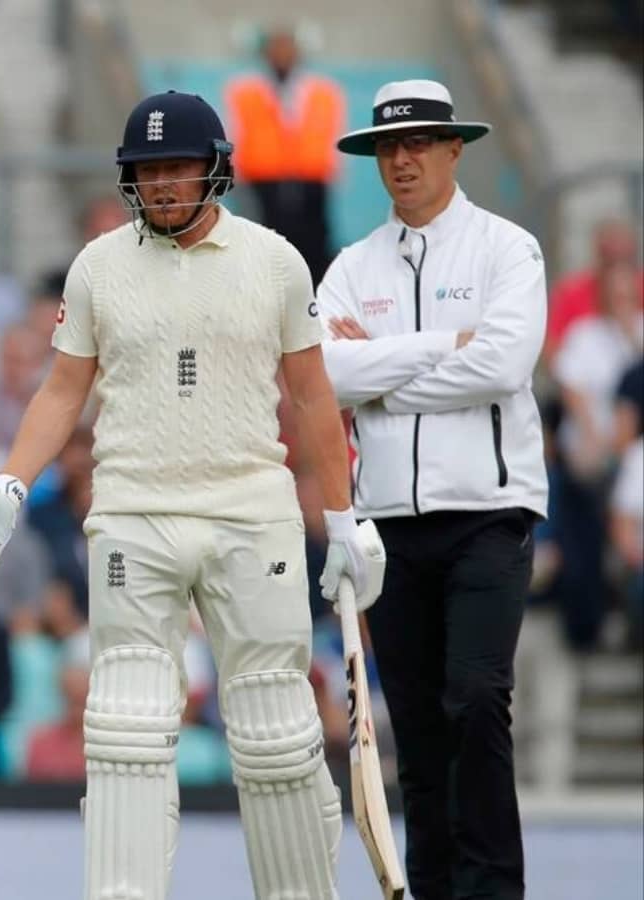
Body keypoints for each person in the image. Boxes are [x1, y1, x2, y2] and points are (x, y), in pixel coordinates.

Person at [0, 90, 382, 900]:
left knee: (277, 731)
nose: (163, 185)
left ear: (215, 168)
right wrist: (13, 479)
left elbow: (315, 397)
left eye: (178, 167)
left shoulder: (275, 260)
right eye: (147, 172)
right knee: (125, 729)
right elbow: (61, 390)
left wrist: (343, 516)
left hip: (252, 513)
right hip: (133, 513)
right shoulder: (99, 265)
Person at [316, 79, 548, 900]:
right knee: (414, 726)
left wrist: (381, 370)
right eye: (388, 146)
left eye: (418, 142)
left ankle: (492, 891)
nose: (402, 158)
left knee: (476, 698)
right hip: (388, 525)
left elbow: (505, 365)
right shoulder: (352, 265)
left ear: (455, 148)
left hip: (489, 512)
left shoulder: (507, 248)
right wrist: (444, 345)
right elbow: (323, 375)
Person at [223, 24, 346, 286]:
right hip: (263, 180)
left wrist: (333, 171)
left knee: (314, 244)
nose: (282, 54)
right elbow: (236, 131)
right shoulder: (245, 91)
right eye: (276, 47)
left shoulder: (323, 90)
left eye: (287, 47)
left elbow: (333, 131)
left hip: (312, 180)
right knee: (267, 243)